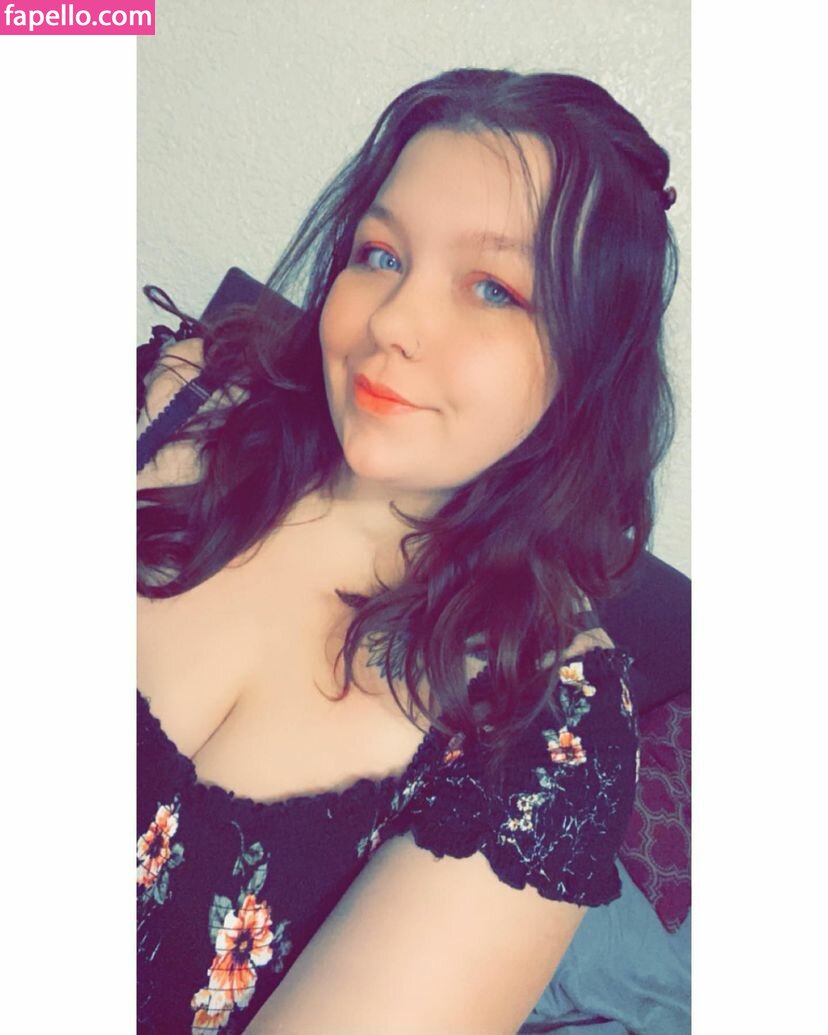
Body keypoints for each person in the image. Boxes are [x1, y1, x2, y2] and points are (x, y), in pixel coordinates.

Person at [137, 67, 677, 1034]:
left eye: (494, 288)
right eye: (380, 254)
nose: (390, 322)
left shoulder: (549, 729)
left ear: (589, 362)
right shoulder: (172, 402)